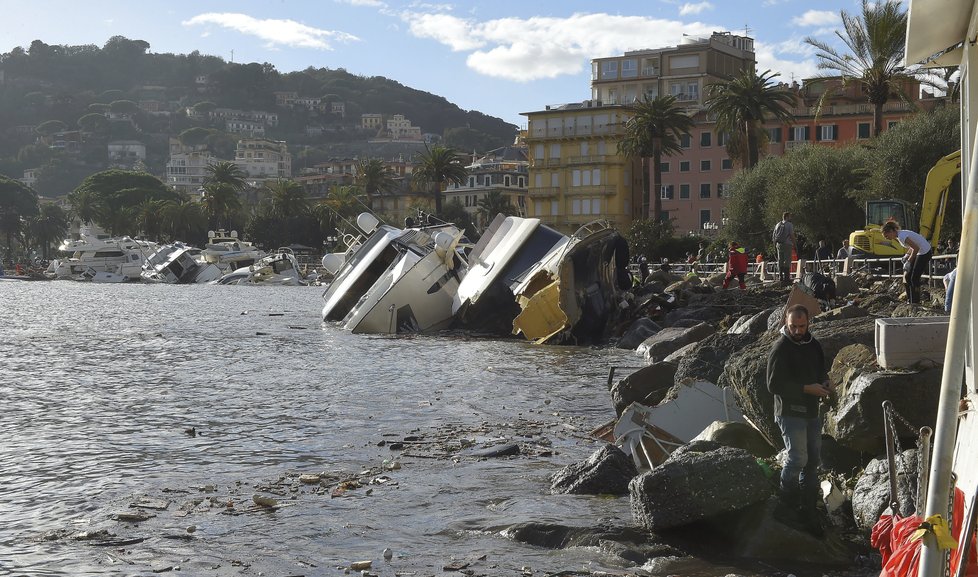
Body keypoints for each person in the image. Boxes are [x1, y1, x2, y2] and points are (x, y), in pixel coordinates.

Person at [767, 304, 833, 537]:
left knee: (813, 459)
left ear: (808, 323)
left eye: (801, 326)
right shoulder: (780, 348)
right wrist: (807, 389)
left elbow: (820, 370)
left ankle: (808, 506)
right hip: (789, 411)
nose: (797, 330)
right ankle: (787, 502)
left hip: (811, 410)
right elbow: (773, 385)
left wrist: (825, 382)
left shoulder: (813, 344)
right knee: (797, 457)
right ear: (786, 322)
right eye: (793, 326)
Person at [881, 220, 933, 305]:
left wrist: (909, 261)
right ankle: (910, 299)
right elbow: (912, 246)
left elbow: (915, 248)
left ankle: (916, 301)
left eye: (887, 236)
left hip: (925, 252)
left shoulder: (902, 236)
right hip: (920, 251)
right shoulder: (900, 235)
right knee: (908, 277)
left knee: (914, 277)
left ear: (891, 231)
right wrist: (906, 255)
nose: (888, 239)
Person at [772, 212, 797, 284]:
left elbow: (774, 236)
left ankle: (780, 277)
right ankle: (786, 277)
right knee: (787, 260)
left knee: (780, 260)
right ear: (786, 217)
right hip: (787, 244)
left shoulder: (777, 224)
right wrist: (795, 244)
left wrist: (775, 245)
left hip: (779, 244)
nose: (790, 218)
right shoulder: (789, 225)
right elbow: (792, 235)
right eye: (789, 216)